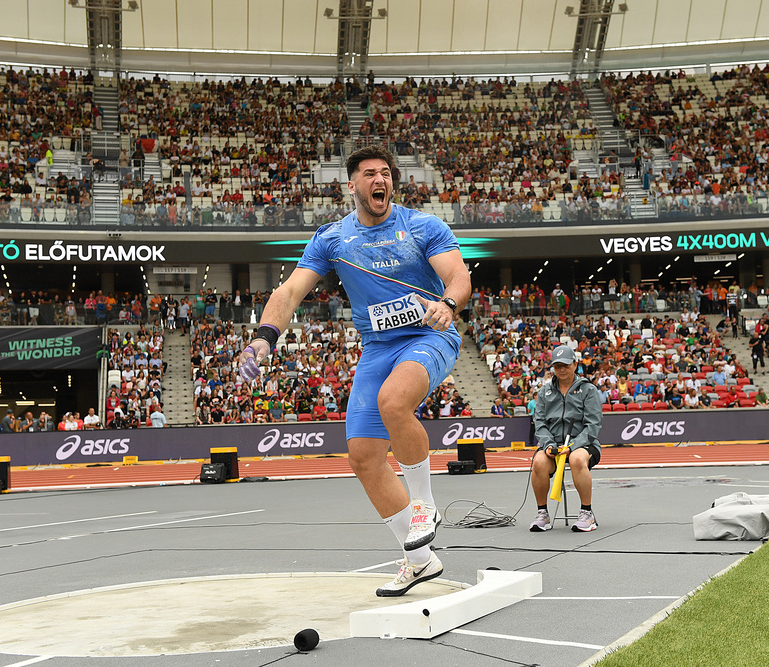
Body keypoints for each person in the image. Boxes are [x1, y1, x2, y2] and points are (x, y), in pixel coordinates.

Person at [237, 144, 470, 598]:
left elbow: (458, 276)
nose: (379, 180)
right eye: (369, 173)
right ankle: (420, 561)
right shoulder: (332, 239)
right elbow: (289, 293)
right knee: (363, 457)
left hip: (429, 336)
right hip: (377, 347)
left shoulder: (423, 226)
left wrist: (447, 303)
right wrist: (264, 336)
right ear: (353, 185)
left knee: (393, 401)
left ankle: (424, 504)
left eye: (386, 173)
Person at [528, 345, 603, 533]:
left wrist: (573, 446)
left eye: (566, 365)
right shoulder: (544, 392)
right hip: (554, 445)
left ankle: (587, 513)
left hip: (584, 445)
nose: (562, 369)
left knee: (577, 458)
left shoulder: (588, 390)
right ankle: (542, 514)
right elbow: (540, 423)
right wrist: (549, 445)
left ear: (575, 365)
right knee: (538, 462)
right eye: (558, 365)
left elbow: (593, 425)